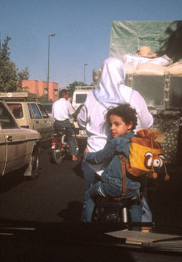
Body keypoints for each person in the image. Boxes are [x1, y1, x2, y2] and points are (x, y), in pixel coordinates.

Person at [77, 57, 154, 221]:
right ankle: (142, 234)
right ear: (122, 73)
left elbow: (81, 121)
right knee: (140, 198)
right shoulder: (134, 95)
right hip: (128, 161)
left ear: (102, 72)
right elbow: (147, 122)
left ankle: (85, 229)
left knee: (90, 195)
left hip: (95, 158)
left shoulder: (92, 96)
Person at [82, 104, 142, 222]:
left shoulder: (117, 141)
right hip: (134, 189)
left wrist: (86, 155)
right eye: (110, 124)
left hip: (113, 186)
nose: (111, 128)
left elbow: (98, 158)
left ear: (129, 125)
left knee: (89, 196)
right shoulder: (140, 141)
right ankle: (137, 235)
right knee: (136, 204)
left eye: (117, 124)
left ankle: (85, 228)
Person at [52, 89, 78, 161]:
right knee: (70, 138)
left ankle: (58, 144)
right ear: (65, 95)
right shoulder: (67, 103)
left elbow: (53, 115)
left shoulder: (55, 103)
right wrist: (76, 118)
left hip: (56, 123)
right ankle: (73, 156)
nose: (68, 96)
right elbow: (73, 113)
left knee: (57, 136)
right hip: (65, 123)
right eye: (67, 95)